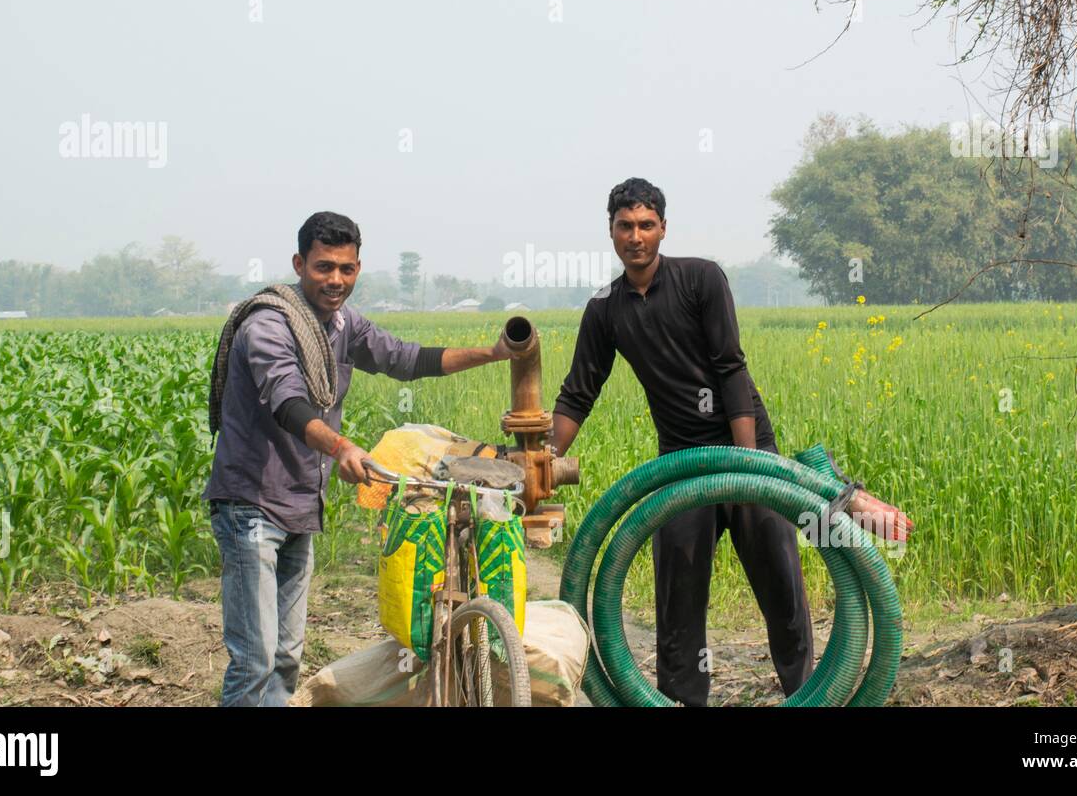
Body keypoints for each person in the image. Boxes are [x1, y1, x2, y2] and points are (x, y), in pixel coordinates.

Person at [203, 211, 515, 706]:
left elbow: (407, 359)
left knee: (286, 655)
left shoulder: (343, 324)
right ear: (299, 264)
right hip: (251, 505)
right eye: (324, 267)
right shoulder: (269, 324)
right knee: (255, 658)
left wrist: (493, 353)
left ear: (358, 267)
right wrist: (341, 446)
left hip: (299, 504)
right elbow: (287, 402)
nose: (336, 280)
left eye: (346, 269)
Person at [551, 178, 815, 706]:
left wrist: (746, 467)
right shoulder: (605, 308)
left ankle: (808, 695)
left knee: (781, 590)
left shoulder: (701, 279)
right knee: (678, 602)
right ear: (611, 232)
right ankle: (683, 701)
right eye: (625, 226)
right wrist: (542, 459)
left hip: (746, 445)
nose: (636, 236)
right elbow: (579, 393)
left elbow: (731, 367)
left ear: (663, 229)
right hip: (680, 461)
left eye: (646, 225)